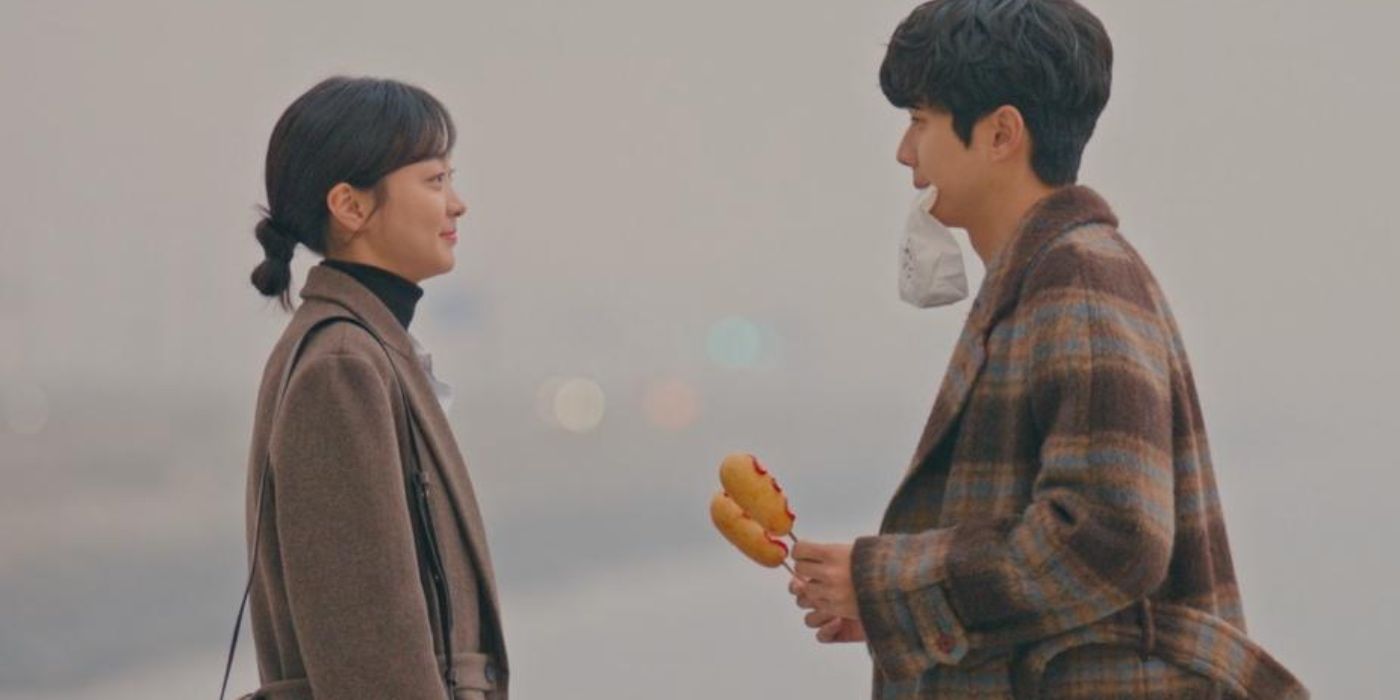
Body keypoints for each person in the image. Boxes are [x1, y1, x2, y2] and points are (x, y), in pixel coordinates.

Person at [786, 2, 1306, 697]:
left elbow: (1109, 536)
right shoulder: (1050, 274)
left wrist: (885, 583)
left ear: (1001, 133)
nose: (904, 154)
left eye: (920, 121)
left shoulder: (1077, 274)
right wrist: (914, 616)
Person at [238, 76, 507, 699]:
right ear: (351, 206)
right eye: (435, 181)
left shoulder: (366, 348)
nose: (457, 204)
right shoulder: (342, 367)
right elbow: (368, 650)